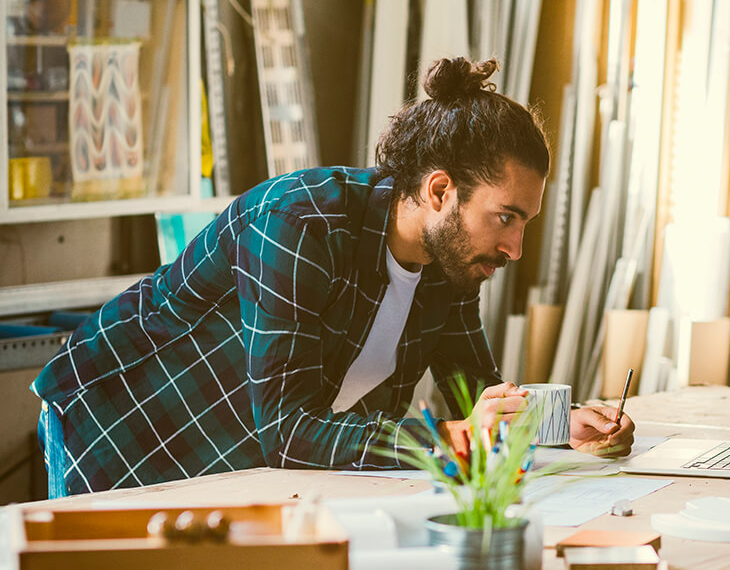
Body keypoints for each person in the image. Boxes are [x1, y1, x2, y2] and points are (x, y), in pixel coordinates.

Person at [31, 57, 635, 497]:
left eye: (524, 223)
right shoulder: (299, 224)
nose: (515, 247)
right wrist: (456, 437)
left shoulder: (450, 267)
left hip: (237, 454)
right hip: (117, 425)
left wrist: (557, 425)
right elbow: (290, 431)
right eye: (505, 217)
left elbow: (475, 398)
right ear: (440, 190)